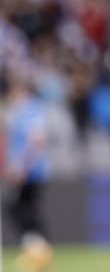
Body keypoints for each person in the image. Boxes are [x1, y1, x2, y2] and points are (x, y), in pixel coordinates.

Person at [1, 64, 54, 272]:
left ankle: (38, 248)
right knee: (22, 209)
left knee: (20, 208)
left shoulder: (32, 109)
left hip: (33, 171)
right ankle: (36, 249)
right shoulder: (20, 112)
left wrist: (22, 167)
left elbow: (37, 140)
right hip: (26, 170)